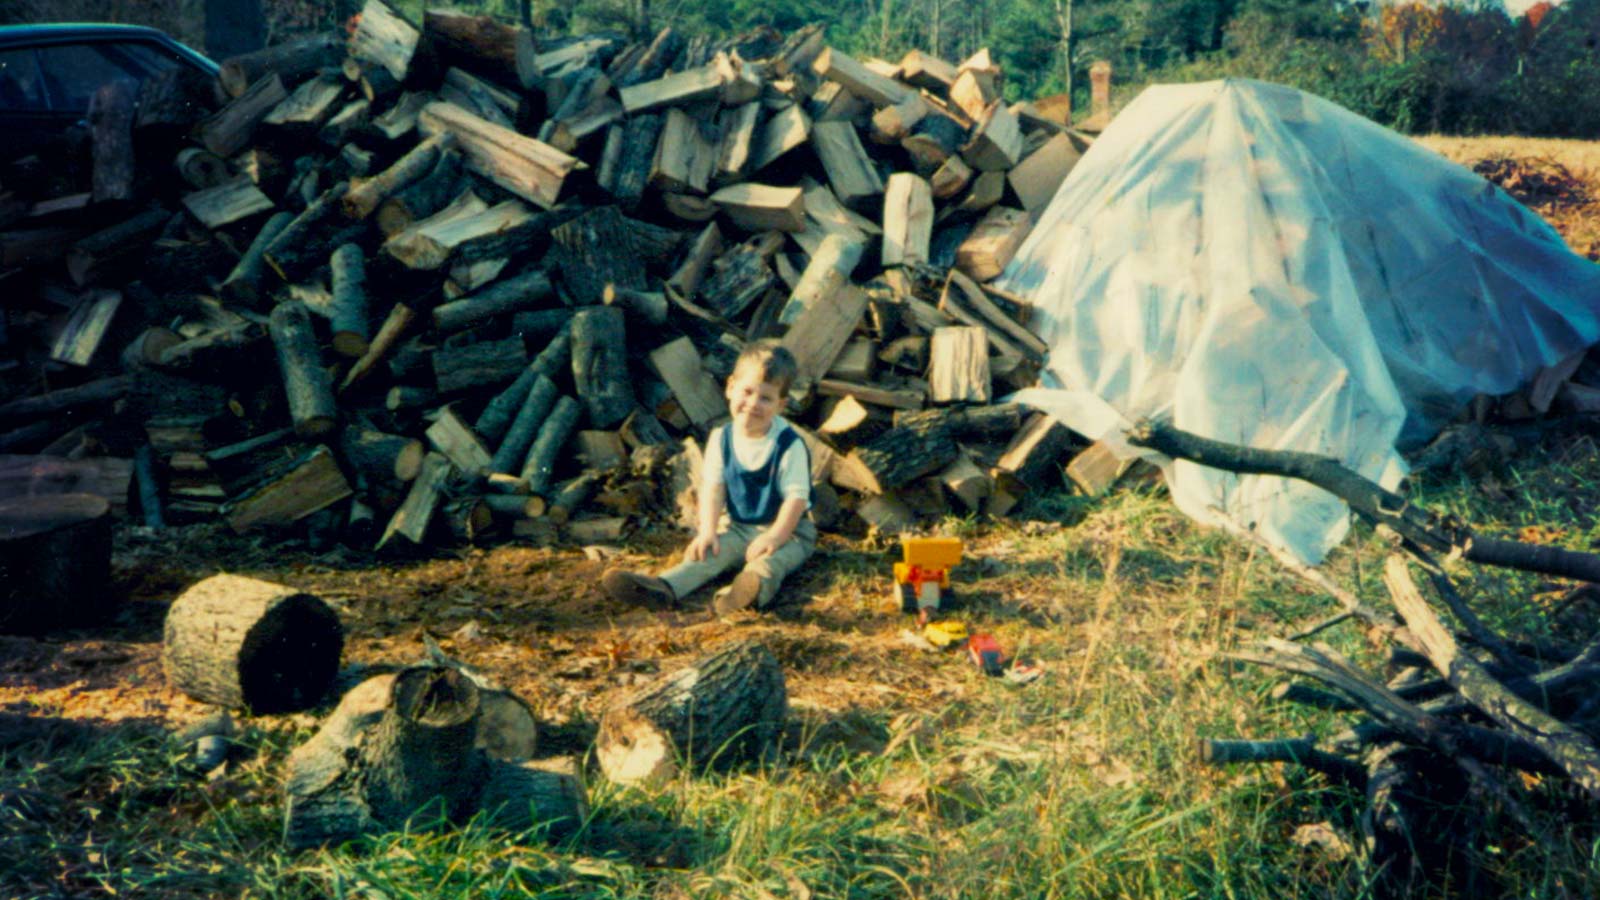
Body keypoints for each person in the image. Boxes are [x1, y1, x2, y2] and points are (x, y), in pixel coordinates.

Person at [602, 340, 815, 615]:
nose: (753, 404)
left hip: (790, 532)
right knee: (707, 553)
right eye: (747, 392)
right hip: (739, 527)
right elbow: (713, 488)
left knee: (769, 564)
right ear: (730, 387)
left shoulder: (788, 444)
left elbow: (796, 499)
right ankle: (664, 587)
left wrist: (774, 537)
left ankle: (741, 596)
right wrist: (708, 531)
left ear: (781, 405)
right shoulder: (721, 439)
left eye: (765, 398)